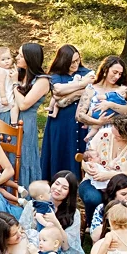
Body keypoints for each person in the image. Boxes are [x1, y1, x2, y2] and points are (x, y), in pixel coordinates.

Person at [79, 113, 127, 221]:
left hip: (122, 187)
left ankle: (118, 226)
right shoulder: (103, 134)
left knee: (121, 201)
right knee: (93, 198)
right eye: (113, 132)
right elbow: (85, 158)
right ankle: (93, 225)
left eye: (118, 136)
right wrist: (88, 168)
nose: (114, 137)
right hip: (92, 181)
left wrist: (109, 175)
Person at [40, 44, 93, 182]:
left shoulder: (86, 72)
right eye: (71, 62)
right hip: (61, 121)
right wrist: (83, 85)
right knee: (61, 151)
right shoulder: (57, 76)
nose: (75, 64)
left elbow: (90, 90)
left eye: (77, 60)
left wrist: (68, 92)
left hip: (80, 120)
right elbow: (57, 91)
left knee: (79, 151)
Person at [8, 43, 52, 188]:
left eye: (21, 55)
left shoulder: (42, 81)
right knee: (8, 156)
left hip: (26, 122)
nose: (17, 57)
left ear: (30, 58)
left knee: (24, 156)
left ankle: (24, 193)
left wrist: (15, 84)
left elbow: (24, 104)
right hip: (9, 119)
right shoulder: (20, 75)